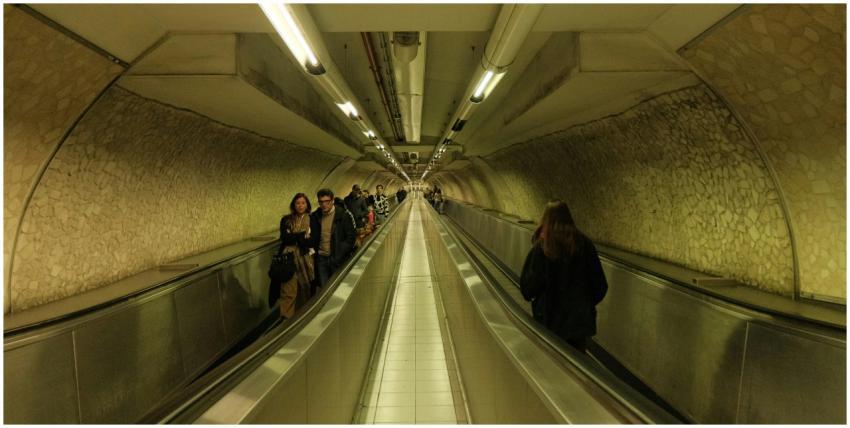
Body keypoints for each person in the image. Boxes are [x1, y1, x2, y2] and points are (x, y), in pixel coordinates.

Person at [519, 200, 608, 353]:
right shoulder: (585, 245)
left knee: (549, 364)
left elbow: (528, 288)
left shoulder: (541, 248)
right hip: (578, 324)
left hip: (547, 322)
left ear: (545, 219)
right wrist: (584, 304)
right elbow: (600, 286)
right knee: (577, 368)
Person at [276, 193, 317, 318]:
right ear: (294, 205)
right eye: (298, 203)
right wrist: (301, 236)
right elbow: (285, 238)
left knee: (304, 287)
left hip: (306, 259)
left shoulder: (312, 219)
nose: (300, 206)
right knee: (288, 289)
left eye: (303, 203)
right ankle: (286, 318)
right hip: (288, 259)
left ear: (307, 205)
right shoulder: (286, 220)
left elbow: (312, 240)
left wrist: (295, 236)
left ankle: (301, 315)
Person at [312, 189, 357, 289]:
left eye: (327, 201)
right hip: (321, 259)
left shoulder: (343, 215)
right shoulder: (316, 216)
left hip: (336, 258)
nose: (324, 205)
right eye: (321, 202)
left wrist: (339, 253)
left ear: (332, 201)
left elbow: (351, 237)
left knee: (338, 288)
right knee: (325, 289)